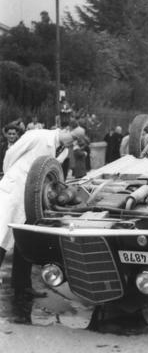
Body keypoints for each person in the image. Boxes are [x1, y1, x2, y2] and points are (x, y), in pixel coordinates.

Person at [0, 127, 82, 299]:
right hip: (14, 189)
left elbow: (53, 173)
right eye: (71, 137)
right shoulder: (37, 135)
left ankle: (22, 286)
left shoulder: (64, 149)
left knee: (24, 239)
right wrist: (11, 175)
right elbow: (10, 154)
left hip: (32, 197)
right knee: (2, 237)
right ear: (65, 131)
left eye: (74, 141)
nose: (70, 142)